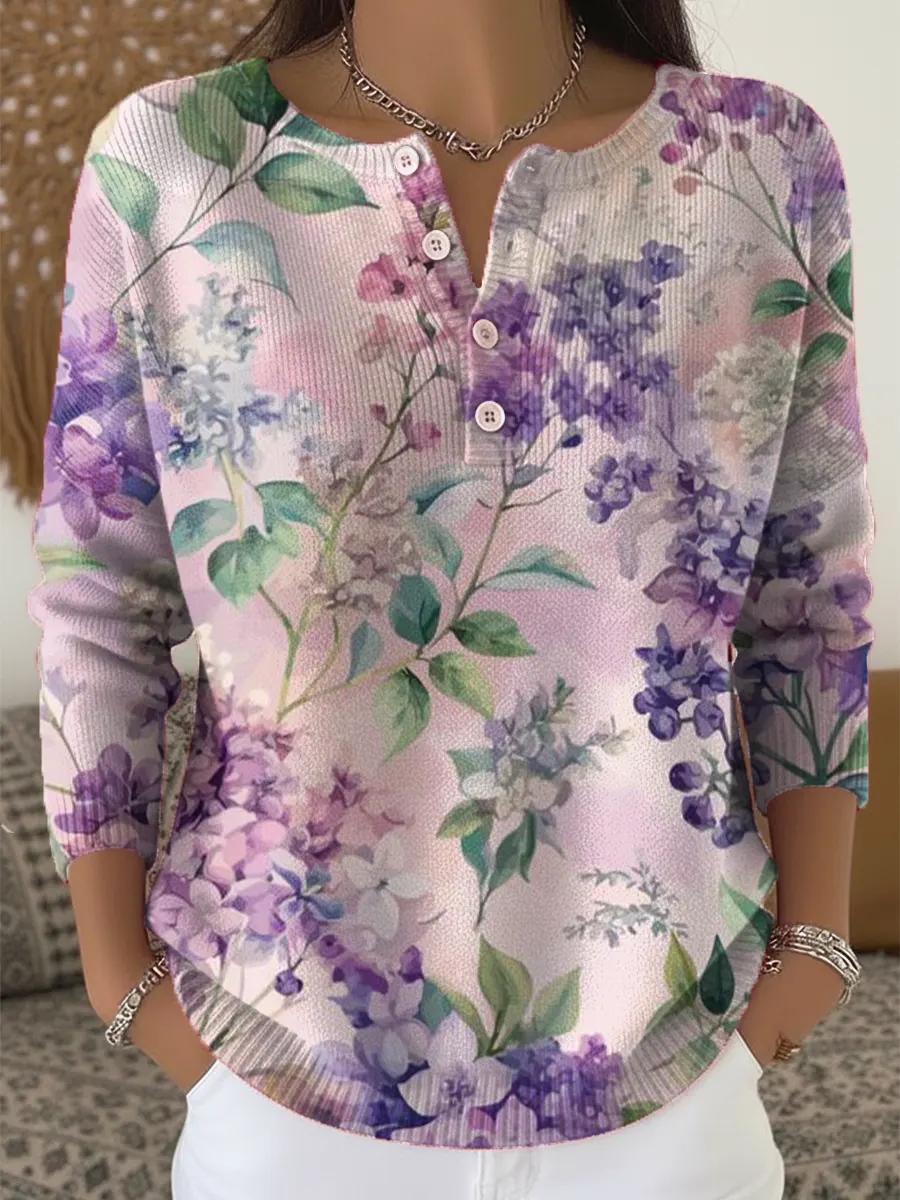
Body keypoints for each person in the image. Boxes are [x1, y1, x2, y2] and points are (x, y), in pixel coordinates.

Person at [27, 0, 874, 1197]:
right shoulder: (173, 162)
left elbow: (809, 587)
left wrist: (814, 953)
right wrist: (124, 983)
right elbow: (100, 600)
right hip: (279, 1083)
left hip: (677, 1080)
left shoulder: (759, 159)